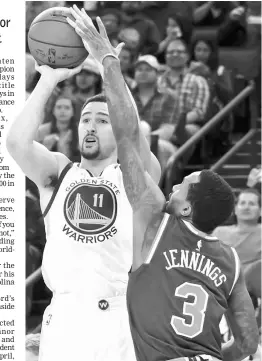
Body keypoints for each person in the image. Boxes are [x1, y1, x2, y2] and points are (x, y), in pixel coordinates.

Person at [68, 7, 259, 361]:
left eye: (182, 184)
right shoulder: (230, 259)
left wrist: (108, 61)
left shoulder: (156, 222)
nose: (172, 187)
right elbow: (248, 342)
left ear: (186, 207)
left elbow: (126, 136)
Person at [7, 10, 160, 361]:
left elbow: (133, 132)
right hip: (64, 318)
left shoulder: (136, 176)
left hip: (120, 317)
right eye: (85, 119)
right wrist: (47, 79)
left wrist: (109, 65)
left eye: (102, 120)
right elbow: (16, 143)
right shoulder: (59, 172)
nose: (89, 126)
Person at [213, 188, 261, 272]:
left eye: (251, 204)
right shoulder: (219, 232)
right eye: (242, 203)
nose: (246, 207)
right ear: (235, 209)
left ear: (260, 211)